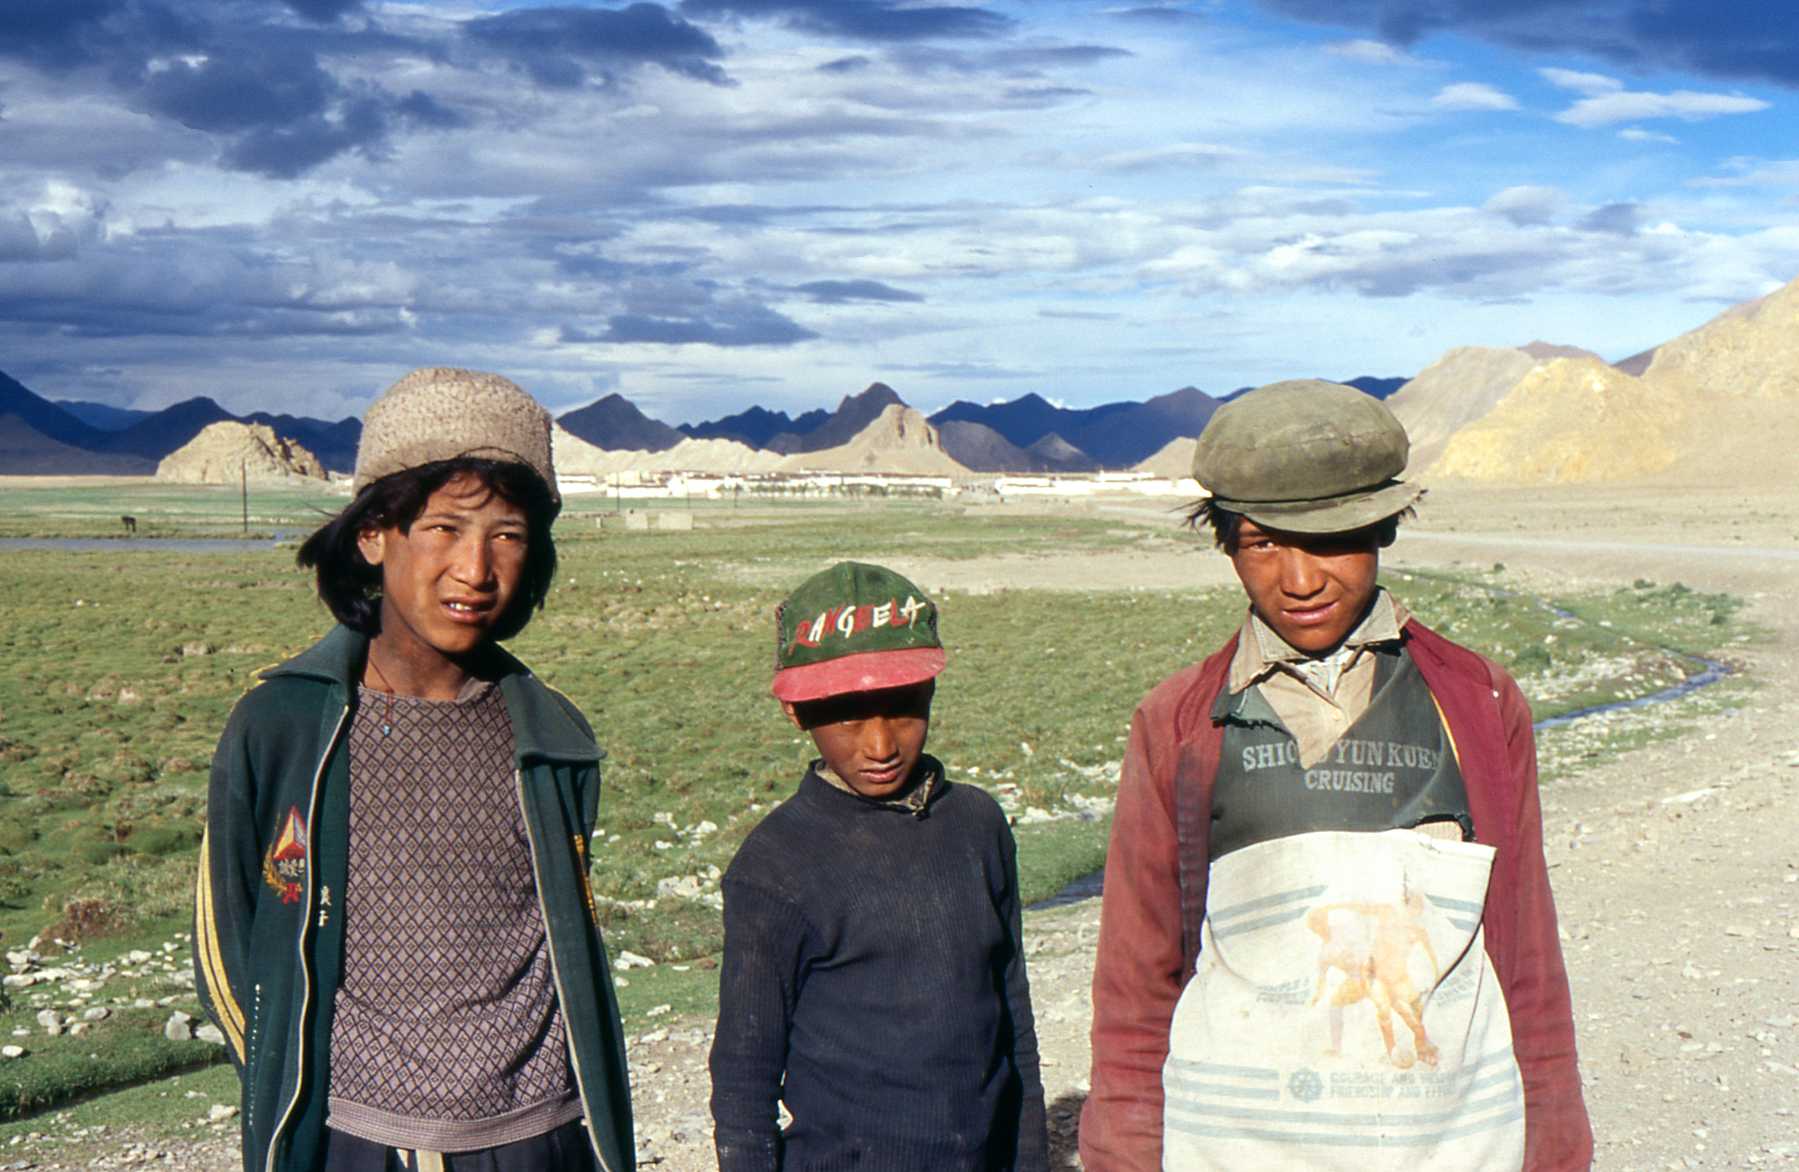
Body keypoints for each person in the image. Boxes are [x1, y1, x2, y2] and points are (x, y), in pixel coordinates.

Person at [1080, 381, 1592, 1171]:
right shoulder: (1179, 724)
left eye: (1329, 540)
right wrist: (1125, 1149)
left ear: (1382, 526)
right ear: (1225, 544)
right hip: (1241, 1139)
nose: (1299, 580)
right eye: (1260, 544)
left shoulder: (1476, 703)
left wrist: (1552, 1137)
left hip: (1443, 1136)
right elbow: (1137, 977)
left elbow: (1521, 945)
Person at [192, 368, 633, 1172]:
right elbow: (226, 939)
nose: (475, 568)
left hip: (543, 1136)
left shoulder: (553, 735)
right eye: (444, 527)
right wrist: (286, 1088)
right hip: (358, 1140)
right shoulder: (285, 726)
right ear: (374, 533)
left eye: (507, 533)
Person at [708, 561, 1049, 1171]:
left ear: (932, 693)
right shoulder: (775, 865)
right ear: (797, 712)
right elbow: (743, 1073)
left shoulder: (977, 825)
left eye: (903, 709)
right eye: (848, 716)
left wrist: (1029, 1159)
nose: (881, 745)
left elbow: (1012, 1016)